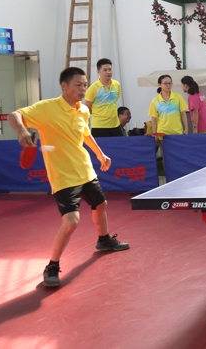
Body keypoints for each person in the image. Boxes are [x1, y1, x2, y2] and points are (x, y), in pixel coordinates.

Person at [7, 67, 129, 288]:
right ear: (64, 86)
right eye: (78, 85)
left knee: (101, 204)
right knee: (71, 222)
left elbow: (85, 133)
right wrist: (22, 132)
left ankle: (104, 240)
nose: (83, 89)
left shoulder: (84, 110)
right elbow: (14, 115)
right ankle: (52, 266)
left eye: (85, 85)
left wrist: (100, 154)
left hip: (85, 170)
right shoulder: (47, 108)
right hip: (63, 176)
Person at [82, 58, 122, 137]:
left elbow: (114, 103)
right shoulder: (93, 88)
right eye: (105, 70)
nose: (108, 72)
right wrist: (98, 112)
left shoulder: (116, 84)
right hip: (99, 127)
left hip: (115, 125)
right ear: (98, 72)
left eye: (110, 69)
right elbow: (86, 108)